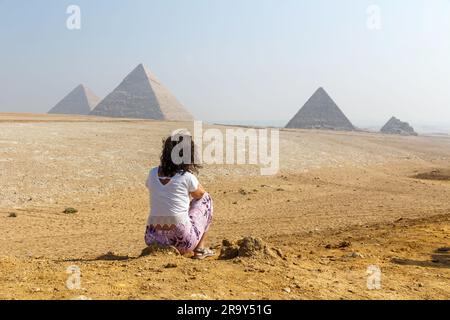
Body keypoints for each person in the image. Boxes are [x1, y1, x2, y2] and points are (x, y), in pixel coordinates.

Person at [144, 131, 214, 259]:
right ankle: (200, 250)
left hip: (152, 238)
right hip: (183, 242)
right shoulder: (187, 177)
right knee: (206, 199)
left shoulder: (152, 173)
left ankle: (163, 246)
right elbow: (201, 195)